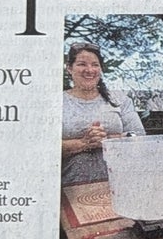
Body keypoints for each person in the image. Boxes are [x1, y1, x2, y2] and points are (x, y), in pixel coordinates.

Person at [60, 41, 145, 186]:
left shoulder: (119, 100)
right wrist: (83, 143)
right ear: (69, 68)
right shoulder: (57, 102)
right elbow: (44, 148)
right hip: (70, 186)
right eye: (82, 64)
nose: (89, 70)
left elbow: (140, 137)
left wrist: (108, 140)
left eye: (95, 65)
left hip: (121, 182)